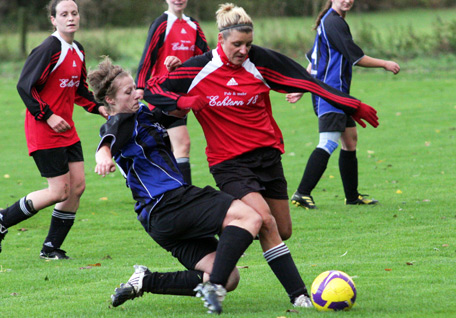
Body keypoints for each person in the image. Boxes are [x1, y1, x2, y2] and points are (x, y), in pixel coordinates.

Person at [144, 2, 379, 307]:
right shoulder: (200, 67)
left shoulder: (260, 61)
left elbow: (306, 80)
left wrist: (350, 103)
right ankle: (297, 296)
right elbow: (152, 88)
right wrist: (185, 102)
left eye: (248, 43)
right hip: (229, 163)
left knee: (282, 230)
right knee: (265, 222)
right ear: (221, 39)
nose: (244, 51)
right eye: (237, 44)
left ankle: (231, 232)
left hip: (268, 159)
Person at [89, 57, 261, 315]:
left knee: (228, 276)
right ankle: (213, 287)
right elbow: (108, 138)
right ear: (111, 101)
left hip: (159, 218)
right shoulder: (121, 121)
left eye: (135, 87)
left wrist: (173, 77)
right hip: (168, 202)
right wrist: (103, 156)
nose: (137, 93)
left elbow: (175, 111)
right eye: (129, 92)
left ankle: (145, 281)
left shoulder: (143, 114)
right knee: (249, 216)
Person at [0, 0, 107, 259]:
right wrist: (48, 116)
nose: (70, 18)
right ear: (53, 20)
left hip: (67, 130)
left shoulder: (78, 50)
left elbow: (80, 92)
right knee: (58, 191)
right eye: (64, 14)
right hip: (44, 129)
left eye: (74, 13)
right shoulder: (49, 48)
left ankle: (51, 248)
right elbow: (24, 86)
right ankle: (0, 218)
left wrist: (99, 108)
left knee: (77, 187)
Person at [288, 0, 400, 209]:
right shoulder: (333, 22)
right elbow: (355, 57)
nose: (347, 0)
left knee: (350, 140)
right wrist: (385, 63)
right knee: (328, 143)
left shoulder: (329, 21)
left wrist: (302, 87)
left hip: (337, 95)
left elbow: (314, 60)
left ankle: (352, 196)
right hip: (330, 95)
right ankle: (302, 193)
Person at [135, 0, 209, 185]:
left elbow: (206, 58)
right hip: (162, 95)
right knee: (182, 144)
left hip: (184, 97)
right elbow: (148, 57)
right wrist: (140, 88)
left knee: (163, 147)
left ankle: (161, 191)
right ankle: (187, 197)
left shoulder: (194, 25)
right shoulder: (162, 23)